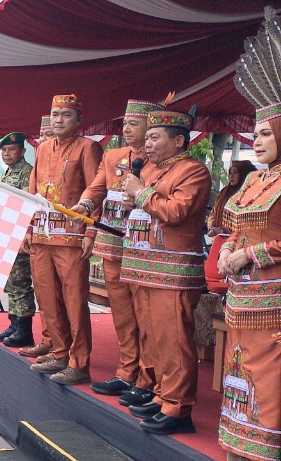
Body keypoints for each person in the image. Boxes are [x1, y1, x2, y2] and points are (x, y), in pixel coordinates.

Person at [119, 108, 209, 435]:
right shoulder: (155, 170)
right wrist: (135, 195)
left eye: (155, 137)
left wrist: (140, 192)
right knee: (156, 339)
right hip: (146, 267)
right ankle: (162, 396)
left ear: (179, 140)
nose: (148, 143)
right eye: (148, 137)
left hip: (172, 270)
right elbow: (145, 206)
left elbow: (175, 212)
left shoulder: (193, 172)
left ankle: (179, 408)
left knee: (175, 340)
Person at [217, 15, 281, 457]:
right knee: (238, 373)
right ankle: (240, 445)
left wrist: (249, 255)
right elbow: (234, 226)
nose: (255, 141)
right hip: (241, 300)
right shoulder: (254, 181)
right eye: (254, 133)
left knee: (270, 382)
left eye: (265, 133)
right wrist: (228, 252)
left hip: (274, 305)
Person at [72, 100, 162, 404]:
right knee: (122, 314)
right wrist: (85, 205)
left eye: (134, 124)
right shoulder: (112, 156)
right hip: (112, 243)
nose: (126, 128)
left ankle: (147, 378)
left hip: (143, 246)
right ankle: (126, 371)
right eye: (124, 122)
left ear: (152, 129)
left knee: (145, 315)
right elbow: (96, 188)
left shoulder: (160, 160)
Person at [25, 94, 103, 385]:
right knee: (47, 299)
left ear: (79, 120)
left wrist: (91, 232)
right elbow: (32, 194)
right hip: (43, 234)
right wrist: (28, 229)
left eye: (66, 115)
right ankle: (60, 353)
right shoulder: (43, 148)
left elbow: (98, 190)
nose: (58, 120)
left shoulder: (88, 148)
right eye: (55, 114)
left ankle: (79, 363)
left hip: (72, 237)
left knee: (74, 301)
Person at [0, 132, 37, 348]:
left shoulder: (27, 173)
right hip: (7, 233)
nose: (7, 154)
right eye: (4, 151)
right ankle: (14, 323)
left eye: (11, 150)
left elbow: (27, 206)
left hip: (20, 235)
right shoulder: (9, 172)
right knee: (10, 283)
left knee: (20, 283)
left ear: (23, 151)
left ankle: (24, 329)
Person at [207, 160, 258, 237]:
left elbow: (245, 221)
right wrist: (212, 227)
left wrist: (223, 231)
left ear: (244, 174)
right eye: (230, 173)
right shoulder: (225, 191)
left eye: (235, 172)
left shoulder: (249, 193)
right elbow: (214, 211)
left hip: (238, 239)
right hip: (217, 237)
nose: (231, 176)